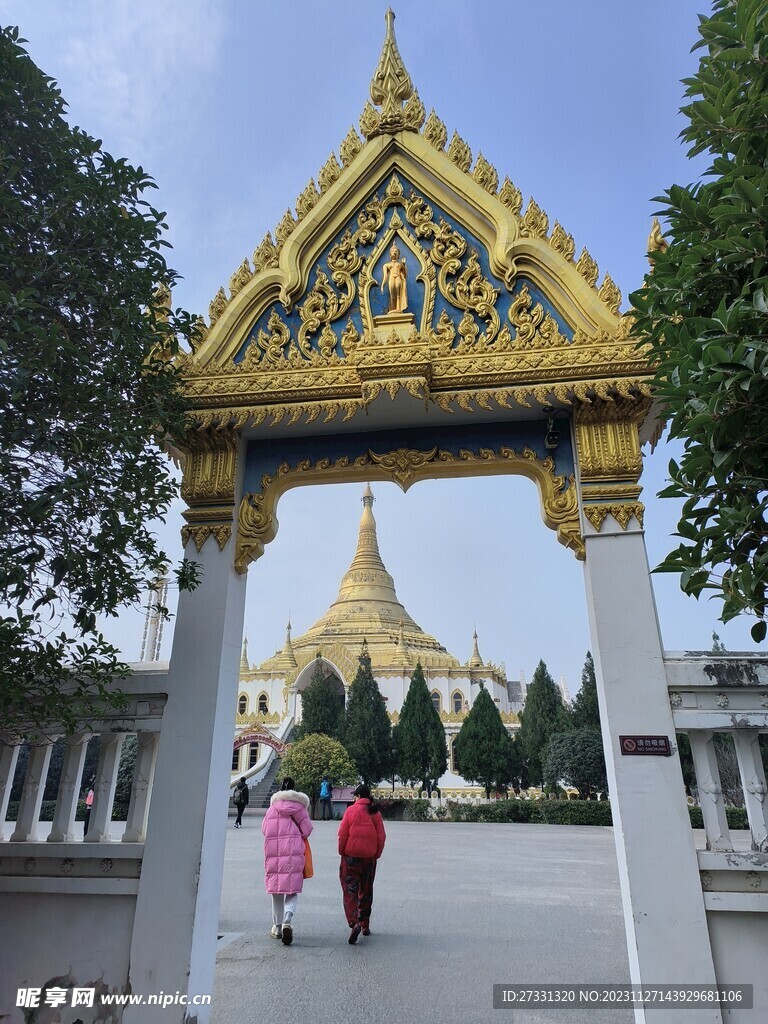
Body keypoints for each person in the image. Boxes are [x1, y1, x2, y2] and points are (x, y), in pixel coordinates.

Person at [261, 776, 313, 945]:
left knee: (276, 891)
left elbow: (264, 829)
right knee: (291, 890)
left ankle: (276, 927)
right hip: (293, 853)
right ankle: (287, 920)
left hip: (274, 853)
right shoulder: (300, 808)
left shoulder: (272, 809)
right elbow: (307, 830)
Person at [337, 784, 386, 944]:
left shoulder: (350, 811)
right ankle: (364, 924)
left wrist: (342, 851)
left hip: (351, 857)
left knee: (350, 890)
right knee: (366, 890)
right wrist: (376, 854)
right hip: (369, 858)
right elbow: (381, 837)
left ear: (358, 796)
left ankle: (354, 922)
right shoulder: (375, 812)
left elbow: (342, 834)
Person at [380, 243, 408, 312]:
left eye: (396, 251)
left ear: (398, 255)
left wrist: (404, 265)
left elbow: (405, 275)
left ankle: (398, 309)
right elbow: (385, 276)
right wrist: (382, 285)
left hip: (398, 277)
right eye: (393, 251)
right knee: (392, 295)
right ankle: (392, 309)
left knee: (398, 295)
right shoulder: (386, 265)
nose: (394, 253)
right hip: (391, 278)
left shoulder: (400, 264)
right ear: (390, 254)